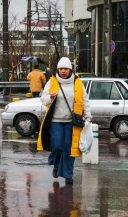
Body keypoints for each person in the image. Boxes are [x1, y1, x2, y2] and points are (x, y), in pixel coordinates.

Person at [37, 57, 92, 185]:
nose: (63, 71)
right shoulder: (52, 82)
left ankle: (68, 175)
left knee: (69, 148)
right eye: (61, 68)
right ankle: (56, 164)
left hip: (72, 122)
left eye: (65, 69)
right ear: (58, 69)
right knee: (57, 145)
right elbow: (43, 99)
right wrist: (50, 97)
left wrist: (88, 116)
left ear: (70, 70)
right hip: (55, 120)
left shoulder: (77, 83)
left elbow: (85, 100)